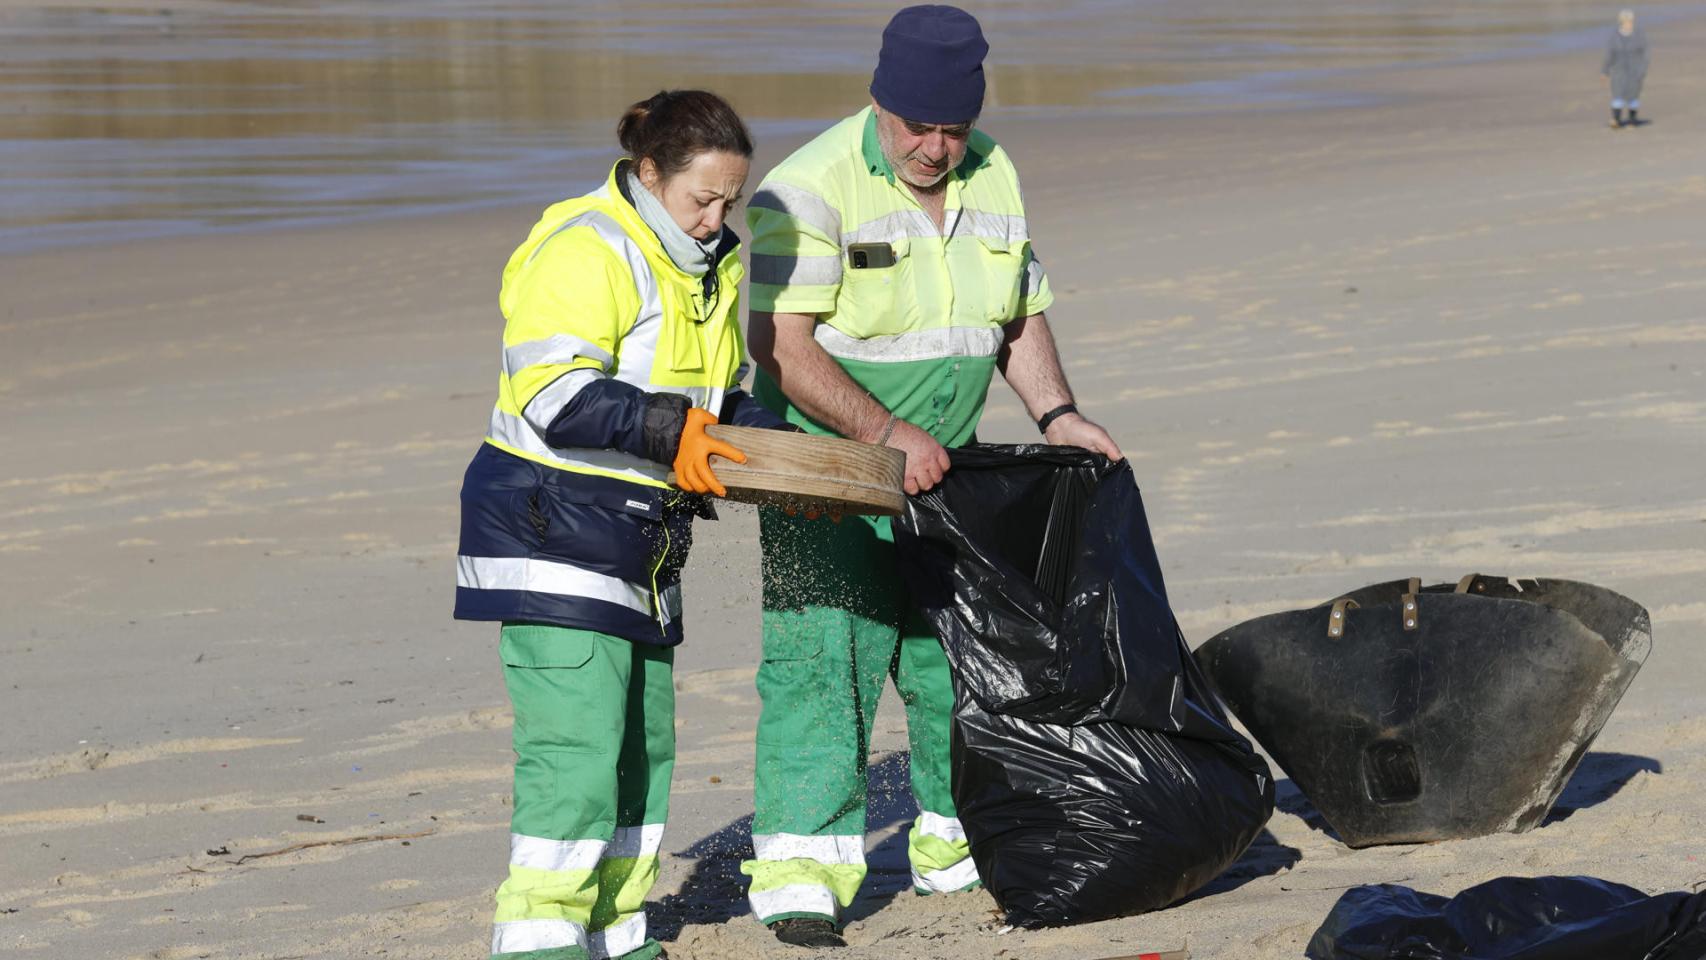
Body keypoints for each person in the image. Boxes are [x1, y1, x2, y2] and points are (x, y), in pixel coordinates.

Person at [737, 5, 1121, 949]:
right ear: (881, 100)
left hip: (946, 474)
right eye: (919, 128)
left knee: (956, 665)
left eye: (953, 129)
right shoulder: (807, 187)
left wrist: (1058, 413)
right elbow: (777, 347)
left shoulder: (994, 170)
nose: (936, 148)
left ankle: (955, 848)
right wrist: (885, 431)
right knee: (824, 666)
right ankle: (800, 875)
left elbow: (1018, 313)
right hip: (827, 473)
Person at [455, 89, 792, 960]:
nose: (718, 217)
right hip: (550, 528)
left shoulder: (708, 261)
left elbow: (714, 398)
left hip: (644, 541)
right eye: (701, 199)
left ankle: (614, 933)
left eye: (731, 199)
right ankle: (539, 941)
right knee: (575, 752)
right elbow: (553, 390)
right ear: (649, 174)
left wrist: (781, 451)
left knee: (644, 751)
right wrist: (673, 432)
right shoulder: (588, 247)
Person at [1603, 9, 1649, 129]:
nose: (1628, 23)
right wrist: (1605, 70)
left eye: (1630, 21)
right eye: (1625, 21)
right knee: (1617, 96)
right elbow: (1609, 54)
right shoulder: (1614, 37)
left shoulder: (1639, 36)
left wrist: (1642, 70)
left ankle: (1632, 120)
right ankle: (1616, 119)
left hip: (1635, 72)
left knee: (1633, 97)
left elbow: (1645, 55)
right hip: (1618, 71)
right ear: (1621, 22)